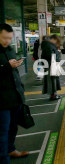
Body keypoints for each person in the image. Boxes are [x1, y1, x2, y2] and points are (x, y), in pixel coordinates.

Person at [0, 24, 29, 163]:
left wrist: (21, 88)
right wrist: (7, 66)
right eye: (4, 38)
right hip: (1, 100)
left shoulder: (10, 50)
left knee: (13, 127)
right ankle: (4, 159)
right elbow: (6, 69)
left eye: (9, 38)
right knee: (2, 132)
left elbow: (14, 73)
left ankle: (10, 150)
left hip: (14, 97)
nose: (7, 41)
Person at [41, 35, 62, 100]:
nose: (56, 43)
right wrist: (57, 52)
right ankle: (53, 95)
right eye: (56, 41)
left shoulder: (48, 44)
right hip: (51, 65)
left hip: (51, 64)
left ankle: (53, 94)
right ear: (53, 39)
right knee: (52, 80)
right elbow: (51, 55)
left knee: (53, 80)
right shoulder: (48, 45)